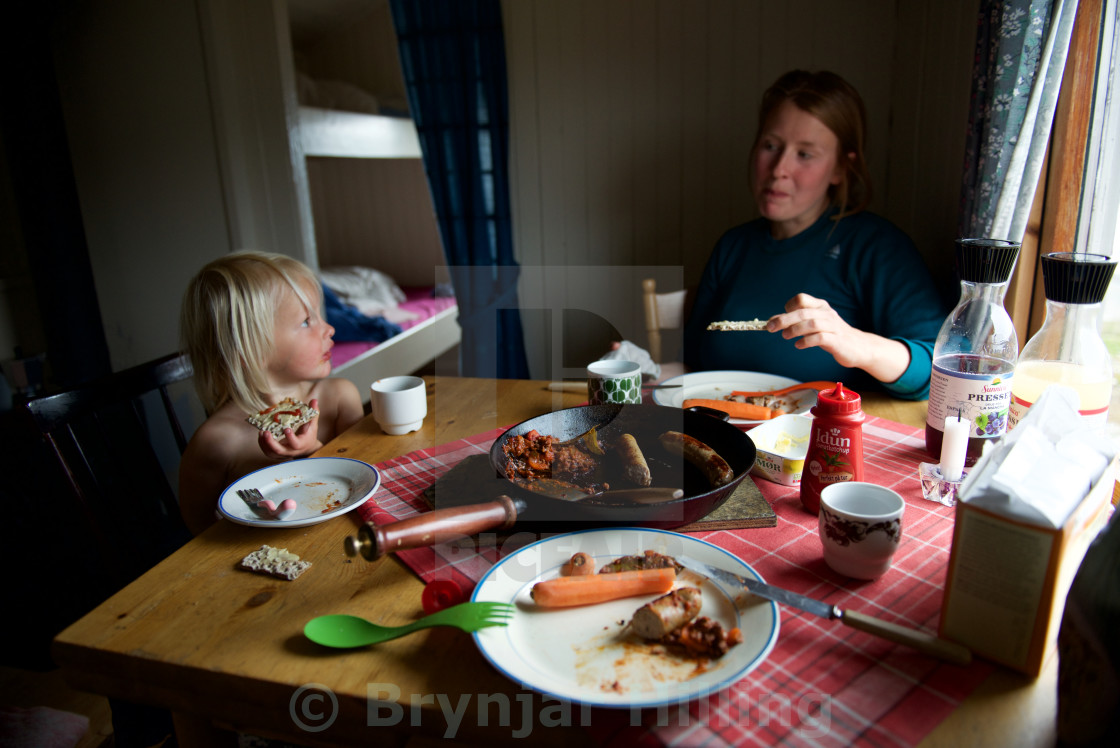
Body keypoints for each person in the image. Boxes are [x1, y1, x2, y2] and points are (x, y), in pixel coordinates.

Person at [682, 70, 946, 400]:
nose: (779, 168)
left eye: (804, 154)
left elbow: (940, 369)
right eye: (770, 145)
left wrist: (857, 344)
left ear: (840, 168)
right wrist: (638, 367)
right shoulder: (732, 247)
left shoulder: (876, 248)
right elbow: (691, 363)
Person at [178, 250, 364, 534]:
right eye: (306, 321)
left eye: (318, 315)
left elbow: (365, 473)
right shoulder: (218, 442)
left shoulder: (339, 398)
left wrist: (313, 451)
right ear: (251, 350)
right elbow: (198, 525)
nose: (328, 328)